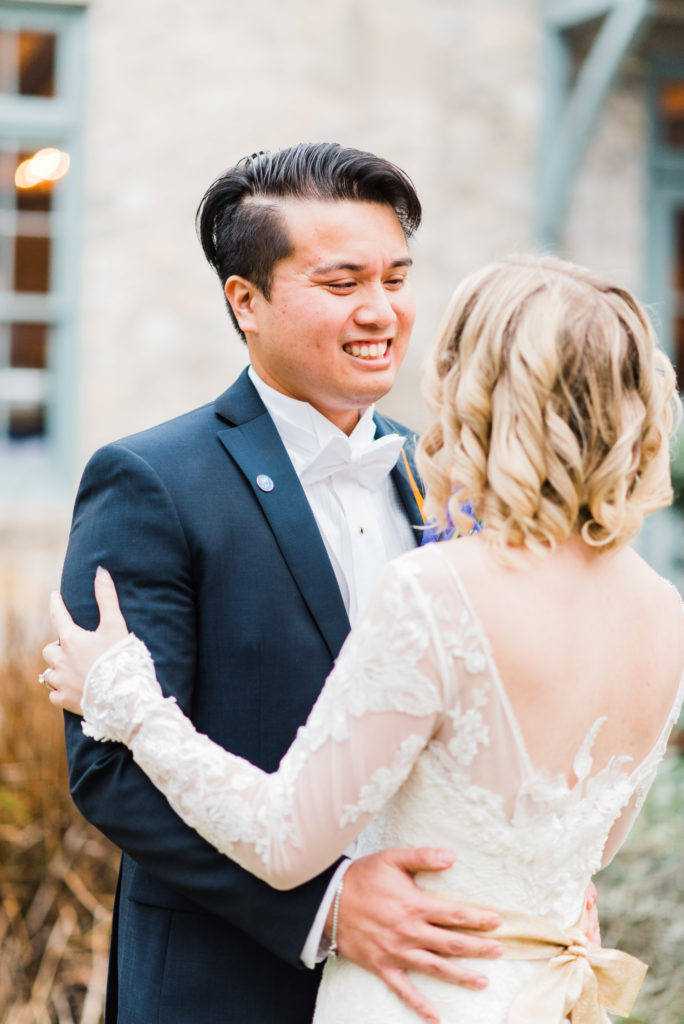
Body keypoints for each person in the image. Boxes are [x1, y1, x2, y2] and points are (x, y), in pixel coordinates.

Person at [44, 254, 684, 1024]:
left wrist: (129, 698)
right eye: (343, 283)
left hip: (414, 998)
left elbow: (284, 838)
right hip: (546, 994)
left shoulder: (439, 587)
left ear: (477, 388)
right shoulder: (665, 612)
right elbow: (594, 846)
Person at [53, 142, 502, 1024]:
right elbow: (109, 767)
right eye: (342, 285)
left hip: (427, 984)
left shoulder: (445, 474)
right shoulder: (148, 479)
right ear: (245, 301)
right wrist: (326, 908)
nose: (381, 312)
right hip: (225, 982)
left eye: (397, 279)